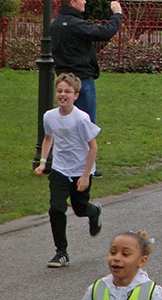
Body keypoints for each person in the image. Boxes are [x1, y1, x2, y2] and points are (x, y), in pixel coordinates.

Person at [37, 72, 101, 269]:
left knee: (80, 208)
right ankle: (61, 252)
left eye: (67, 91)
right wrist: (43, 161)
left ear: (76, 96)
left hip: (81, 170)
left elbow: (93, 147)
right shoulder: (49, 116)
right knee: (56, 208)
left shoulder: (81, 119)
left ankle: (94, 211)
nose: (63, 95)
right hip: (60, 169)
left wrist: (85, 176)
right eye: (59, 91)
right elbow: (48, 138)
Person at [49, 0, 123, 122]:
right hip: (81, 79)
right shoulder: (76, 25)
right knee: (86, 123)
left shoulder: (56, 25)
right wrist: (117, 14)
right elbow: (105, 32)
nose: (85, 2)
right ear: (72, 3)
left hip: (63, 79)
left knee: (67, 120)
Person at [83, 230, 162, 300]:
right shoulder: (96, 289)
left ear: (142, 261)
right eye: (113, 252)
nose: (116, 258)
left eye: (125, 254)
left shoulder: (151, 293)